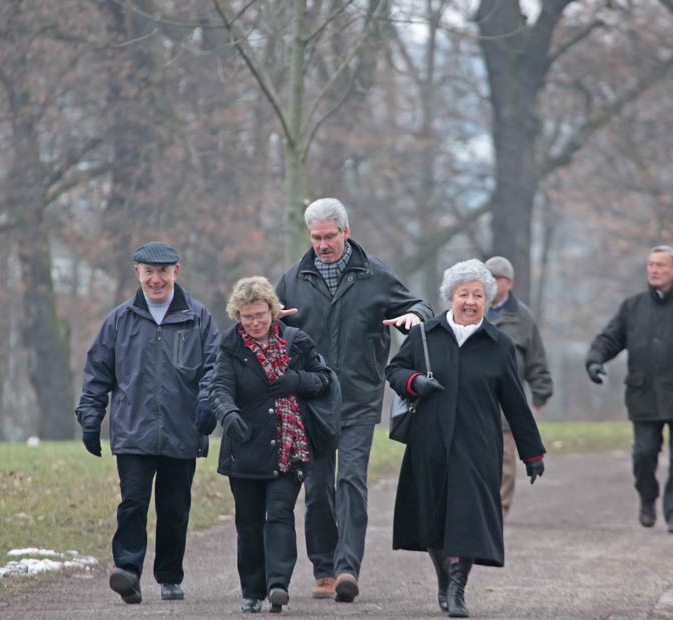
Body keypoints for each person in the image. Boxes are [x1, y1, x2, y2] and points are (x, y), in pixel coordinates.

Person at [276, 197, 433, 602]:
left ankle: (347, 568)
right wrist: (271, 326)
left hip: (360, 397)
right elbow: (267, 326)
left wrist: (413, 317)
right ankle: (324, 570)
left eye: (330, 236)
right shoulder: (293, 279)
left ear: (346, 232)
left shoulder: (374, 274)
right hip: (312, 399)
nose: (322, 245)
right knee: (318, 489)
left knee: (350, 480)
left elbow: (419, 305)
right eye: (316, 238)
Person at [386, 258, 546, 618]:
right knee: (432, 518)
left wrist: (532, 453)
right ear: (450, 297)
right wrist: (414, 382)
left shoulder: (498, 344)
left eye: (478, 295)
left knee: (468, 516)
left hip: (477, 445)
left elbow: (515, 401)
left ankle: (457, 588)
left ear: (487, 300)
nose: (470, 301)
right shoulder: (425, 335)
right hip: (429, 441)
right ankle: (444, 578)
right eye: (463, 294)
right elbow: (394, 370)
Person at [75, 241, 220, 605]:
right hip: (133, 430)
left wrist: (208, 402)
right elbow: (97, 373)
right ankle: (127, 571)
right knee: (132, 504)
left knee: (174, 509)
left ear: (176, 272)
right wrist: (91, 418)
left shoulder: (198, 318)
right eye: (149, 272)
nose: (156, 280)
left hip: (182, 430)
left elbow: (215, 367)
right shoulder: (119, 321)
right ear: (137, 273)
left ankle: (170, 576)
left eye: (164, 272)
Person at [209, 276, 339, 614]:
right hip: (245, 447)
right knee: (249, 523)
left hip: (289, 446)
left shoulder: (297, 342)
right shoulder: (230, 347)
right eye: (247, 317)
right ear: (237, 316)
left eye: (260, 315)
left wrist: (297, 380)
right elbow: (218, 387)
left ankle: (278, 584)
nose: (254, 323)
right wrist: (228, 413)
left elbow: (324, 380)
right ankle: (252, 591)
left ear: (272, 311)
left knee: (280, 514)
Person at [585, 245, 673, 534]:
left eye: (661, 265)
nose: (654, 270)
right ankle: (647, 498)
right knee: (644, 453)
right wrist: (595, 360)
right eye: (650, 265)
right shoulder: (633, 306)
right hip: (644, 395)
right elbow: (609, 338)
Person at [485, 256, 553, 517]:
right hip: (475, 399)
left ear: (509, 283)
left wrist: (540, 394)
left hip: (506, 403)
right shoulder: (473, 309)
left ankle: (499, 509)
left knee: (504, 459)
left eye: (496, 279)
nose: (491, 284)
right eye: (487, 278)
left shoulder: (523, 317)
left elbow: (536, 359)